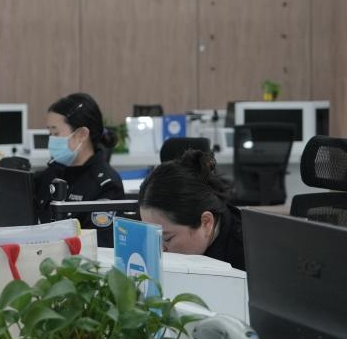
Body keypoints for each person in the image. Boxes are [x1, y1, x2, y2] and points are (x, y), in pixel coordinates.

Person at [33, 92, 123, 246]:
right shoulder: (53, 172)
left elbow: (98, 245)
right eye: (50, 133)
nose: (51, 140)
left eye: (56, 133)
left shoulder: (107, 185)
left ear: (81, 134)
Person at [138, 149, 246, 271]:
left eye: (167, 238)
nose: (159, 250)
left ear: (206, 223)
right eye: (152, 237)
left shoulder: (248, 256)